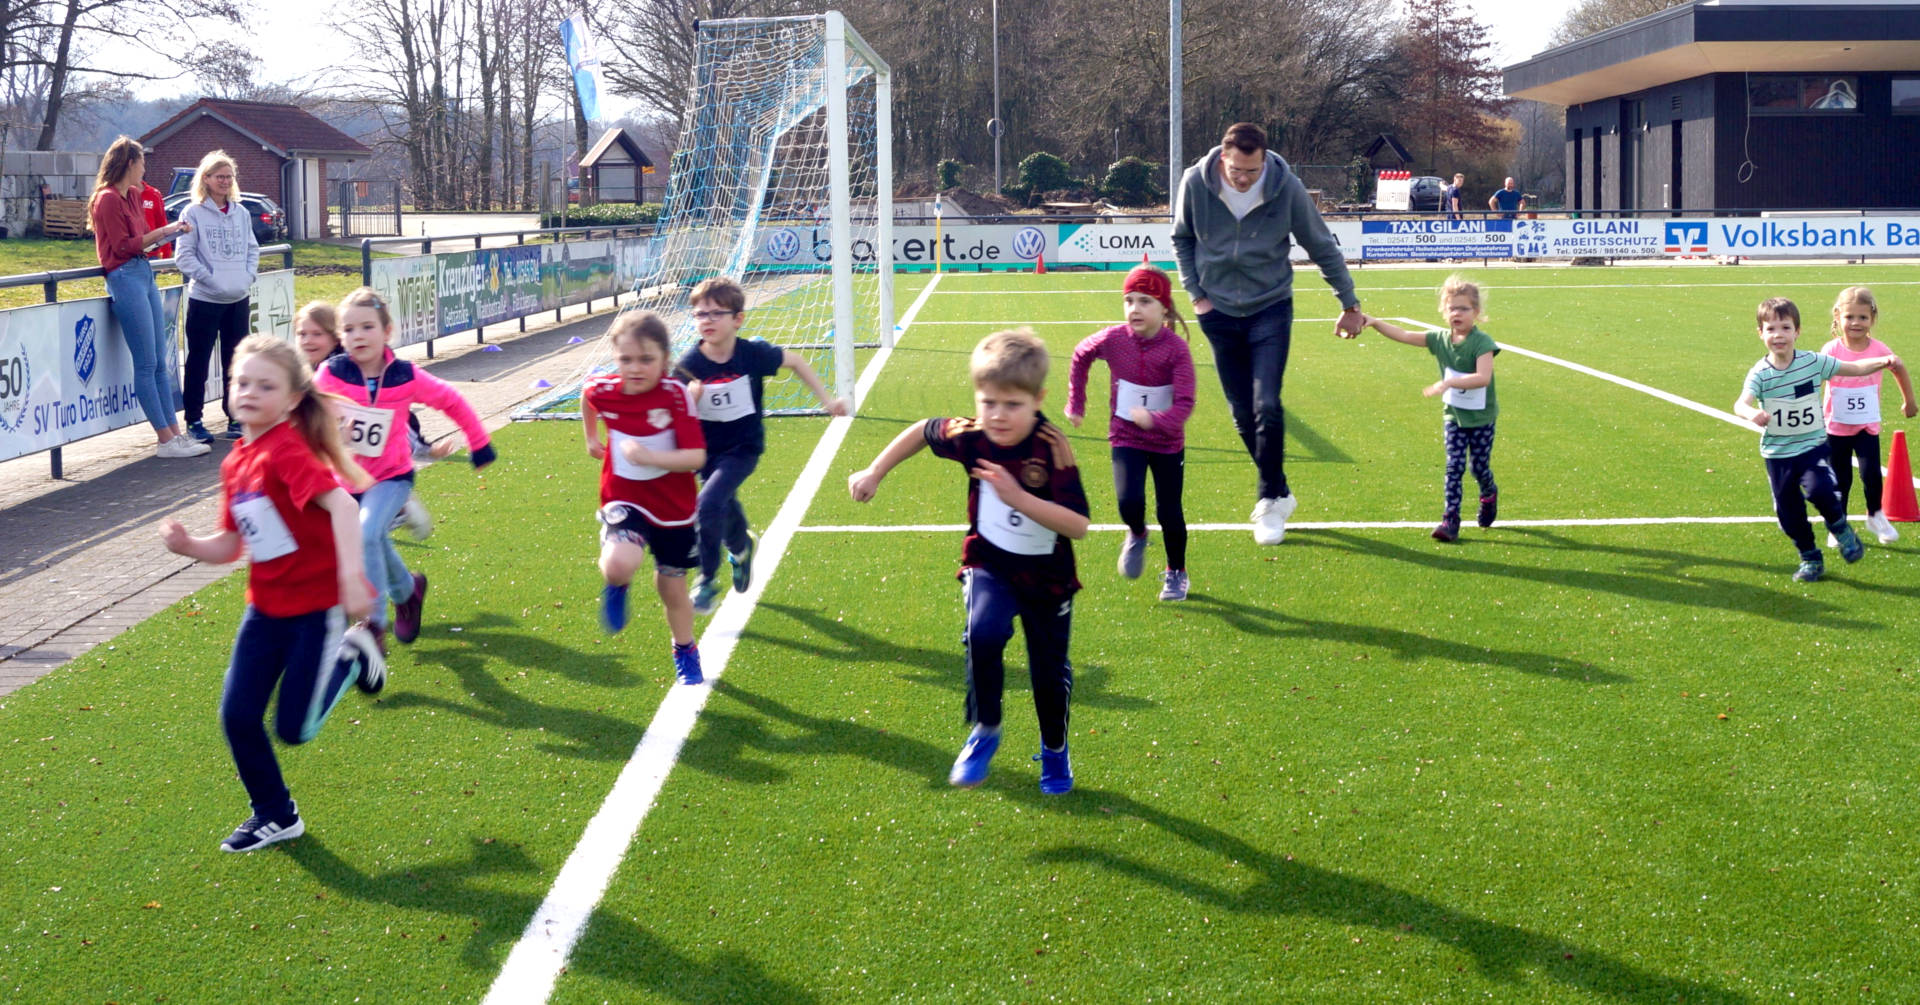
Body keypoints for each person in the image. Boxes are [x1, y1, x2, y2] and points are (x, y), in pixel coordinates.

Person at [157, 335, 379, 852]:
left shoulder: (286, 450)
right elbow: (232, 546)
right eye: (242, 382)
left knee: (295, 730)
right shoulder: (236, 461)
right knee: (237, 716)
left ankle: (353, 652)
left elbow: (344, 506)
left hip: (314, 612)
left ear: (293, 398)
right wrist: (189, 544)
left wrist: (349, 578)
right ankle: (276, 814)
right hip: (265, 610)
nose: (250, 392)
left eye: (265, 385)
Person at [847, 329, 1090, 794]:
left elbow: (1077, 524)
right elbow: (922, 429)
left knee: (1047, 675)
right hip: (989, 564)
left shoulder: (1051, 446)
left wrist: (1016, 496)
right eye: (988, 402)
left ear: (1038, 399)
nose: (998, 415)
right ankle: (986, 728)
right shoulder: (972, 436)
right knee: (983, 632)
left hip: (1048, 579)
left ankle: (1055, 748)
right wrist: (875, 471)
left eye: (1012, 405)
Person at [1171, 121, 1363, 545]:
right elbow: (1181, 239)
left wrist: (1349, 303)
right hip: (1217, 311)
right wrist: (1197, 296)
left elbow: (1320, 245)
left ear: (1264, 162)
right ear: (1224, 158)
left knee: (1267, 405)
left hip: (1270, 309)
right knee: (1241, 413)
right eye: (1236, 170)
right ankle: (1280, 489)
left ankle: (1268, 502)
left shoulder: (1286, 188)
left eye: (1251, 172)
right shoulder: (1195, 184)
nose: (1242, 178)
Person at [314, 288, 495, 652]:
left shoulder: (405, 375)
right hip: (346, 481)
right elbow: (304, 414)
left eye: (367, 327)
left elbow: (451, 399)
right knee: (373, 539)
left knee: (367, 535)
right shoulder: (331, 374)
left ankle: (374, 624)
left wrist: (479, 442)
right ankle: (408, 592)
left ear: (388, 332)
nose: (358, 336)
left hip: (392, 477)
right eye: (349, 330)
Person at [674, 276, 848, 614]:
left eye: (714, 314)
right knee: (722, 504)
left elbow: (795, 361)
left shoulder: (752, 354)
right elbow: (671, 410)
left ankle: (706, 580)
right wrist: (689, 402)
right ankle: (741, 548)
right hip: (704, 452)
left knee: (708, 504)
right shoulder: (689, 364)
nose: (705, 321)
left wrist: (826, 400)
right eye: (699, 314)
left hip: (743, 449)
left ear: (737, 319)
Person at [1733, 297, 1900, 582]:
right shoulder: (1760, 374)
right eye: (1771, 328)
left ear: (1797, 331)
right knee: (1788, 513)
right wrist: (1751, 413)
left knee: (1821, 490)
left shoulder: (1813, 362)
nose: (1778, 335)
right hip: (1778, 454)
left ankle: (1841, 528)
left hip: (1811, 447)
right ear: (1760, 333)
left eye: (1785, 327)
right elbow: (1740, 403)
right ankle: (1810, 557)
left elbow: (1854, 368)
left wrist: (1882, 362)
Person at [582, 311, 708, 685]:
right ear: (615, 358)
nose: (635, 368)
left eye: (646, 359)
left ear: (665, 360)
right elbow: (588, 397)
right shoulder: (605, 390)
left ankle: (684, 648)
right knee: (619, 563)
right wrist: (591, 438)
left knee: (672, 589)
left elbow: (696, 457)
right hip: (624, 498)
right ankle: (617, 585)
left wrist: (651, 457)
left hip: (674, 508)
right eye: (625, 359)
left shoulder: (675, 396)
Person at [1065, 263, 1197, 600]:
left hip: (1167, 443)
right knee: (1129, 502)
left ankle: (1176, 572)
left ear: (1164, 307)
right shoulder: (1113, 339)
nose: (1134, 309)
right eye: (1129, 300)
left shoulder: (1176, 350)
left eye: (1145, 301)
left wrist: (1157, 421)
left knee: (1170, 511)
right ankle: (1137, 533)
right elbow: (1081, 354)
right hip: (1126, 436)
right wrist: (1076, 403)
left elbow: (1184, 404)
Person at [1357, 276, 1500, 542]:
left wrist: (1449, 383)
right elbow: (1405, 335)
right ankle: (1450, 520)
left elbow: (1483, 378)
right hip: (1454, 417)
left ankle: (1489, 494)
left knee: (1478, 468)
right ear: (1444, 311)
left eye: (1464, 308)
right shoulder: (1439, 339)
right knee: (1454, 466)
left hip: (1481, 419)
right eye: (1452, 308)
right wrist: (1375, 322)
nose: (1457, 313)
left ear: (1476, 313)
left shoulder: (1482, 344)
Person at [89, 136, 205, 458]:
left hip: (143, 273)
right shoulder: (108, 198)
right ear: (129, 162)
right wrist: (166, 231)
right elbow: (124, 245)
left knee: (160, 363)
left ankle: (175, 435)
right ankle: (165, 439)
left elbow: (140, 242)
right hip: (125, 277)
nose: (144, 169)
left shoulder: (134, 195)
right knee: (146, 363)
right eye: (142, 162)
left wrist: (160, 235)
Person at [174, 150, 260, 443]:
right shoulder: (192, 212)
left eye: (229, 176)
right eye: (219, 176)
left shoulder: (241, 212)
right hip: (205, 300)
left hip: (238, 298)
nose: (225, 181)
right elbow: (184, 257)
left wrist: (245, 277)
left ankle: (235, 416)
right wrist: (212, 280)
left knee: (236, 362)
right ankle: (194, 420)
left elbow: (253, 249)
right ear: (206, 179)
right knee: (198, 360)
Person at [1821, 286, 1916, 545]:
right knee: (1840, 479)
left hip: (1866, 427)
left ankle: (1875, 515)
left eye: (1862, 317)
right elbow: (1816, 378)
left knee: (1871, 474)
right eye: (1849, 317)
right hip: (1836, 428)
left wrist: (1909, 400)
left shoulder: (1878, 349)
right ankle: (1837, 526)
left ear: (1872, 319)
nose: (1855, 323)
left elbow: (1898, 367)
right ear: (1838, 318)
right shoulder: (1831, 350)